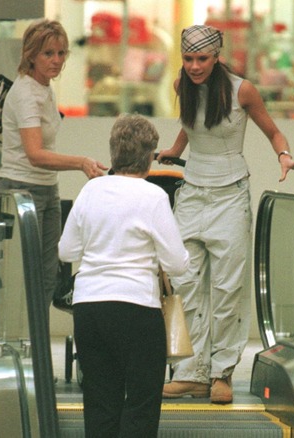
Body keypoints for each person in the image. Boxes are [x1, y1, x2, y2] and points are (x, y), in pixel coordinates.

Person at [158, 24, 294, 404]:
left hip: (230, 194)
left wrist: (285, 156)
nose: (195, 66)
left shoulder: (242, 89)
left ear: (217, 56)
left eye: (202, 59)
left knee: (227, 288)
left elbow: (273, 132)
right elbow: (190, 128)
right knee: (186, 284)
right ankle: (190, 372)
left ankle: (221, 373)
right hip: (192, 191)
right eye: (189, 59)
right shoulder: (183, 86)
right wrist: (172, 150)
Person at [58, 114, 189, 438]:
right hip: (136, 310)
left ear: (114, 153)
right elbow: (177, 263)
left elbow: (67, 251)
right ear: (149, 156)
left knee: (101, 402)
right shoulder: (153, 196)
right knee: (141, 405)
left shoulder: (91, 191)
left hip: (90, 309)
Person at [0, 19, 108, 314]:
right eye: (48, 53)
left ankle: (36, 344)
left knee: (48, 275)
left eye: (61, 53)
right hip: (22, 189)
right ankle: (23, 343)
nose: (56, 60)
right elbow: (35, 153)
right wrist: (81, 162)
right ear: (31, 55)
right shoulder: (25, 93)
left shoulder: (45, 89)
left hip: (47, 188)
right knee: (24, 275)